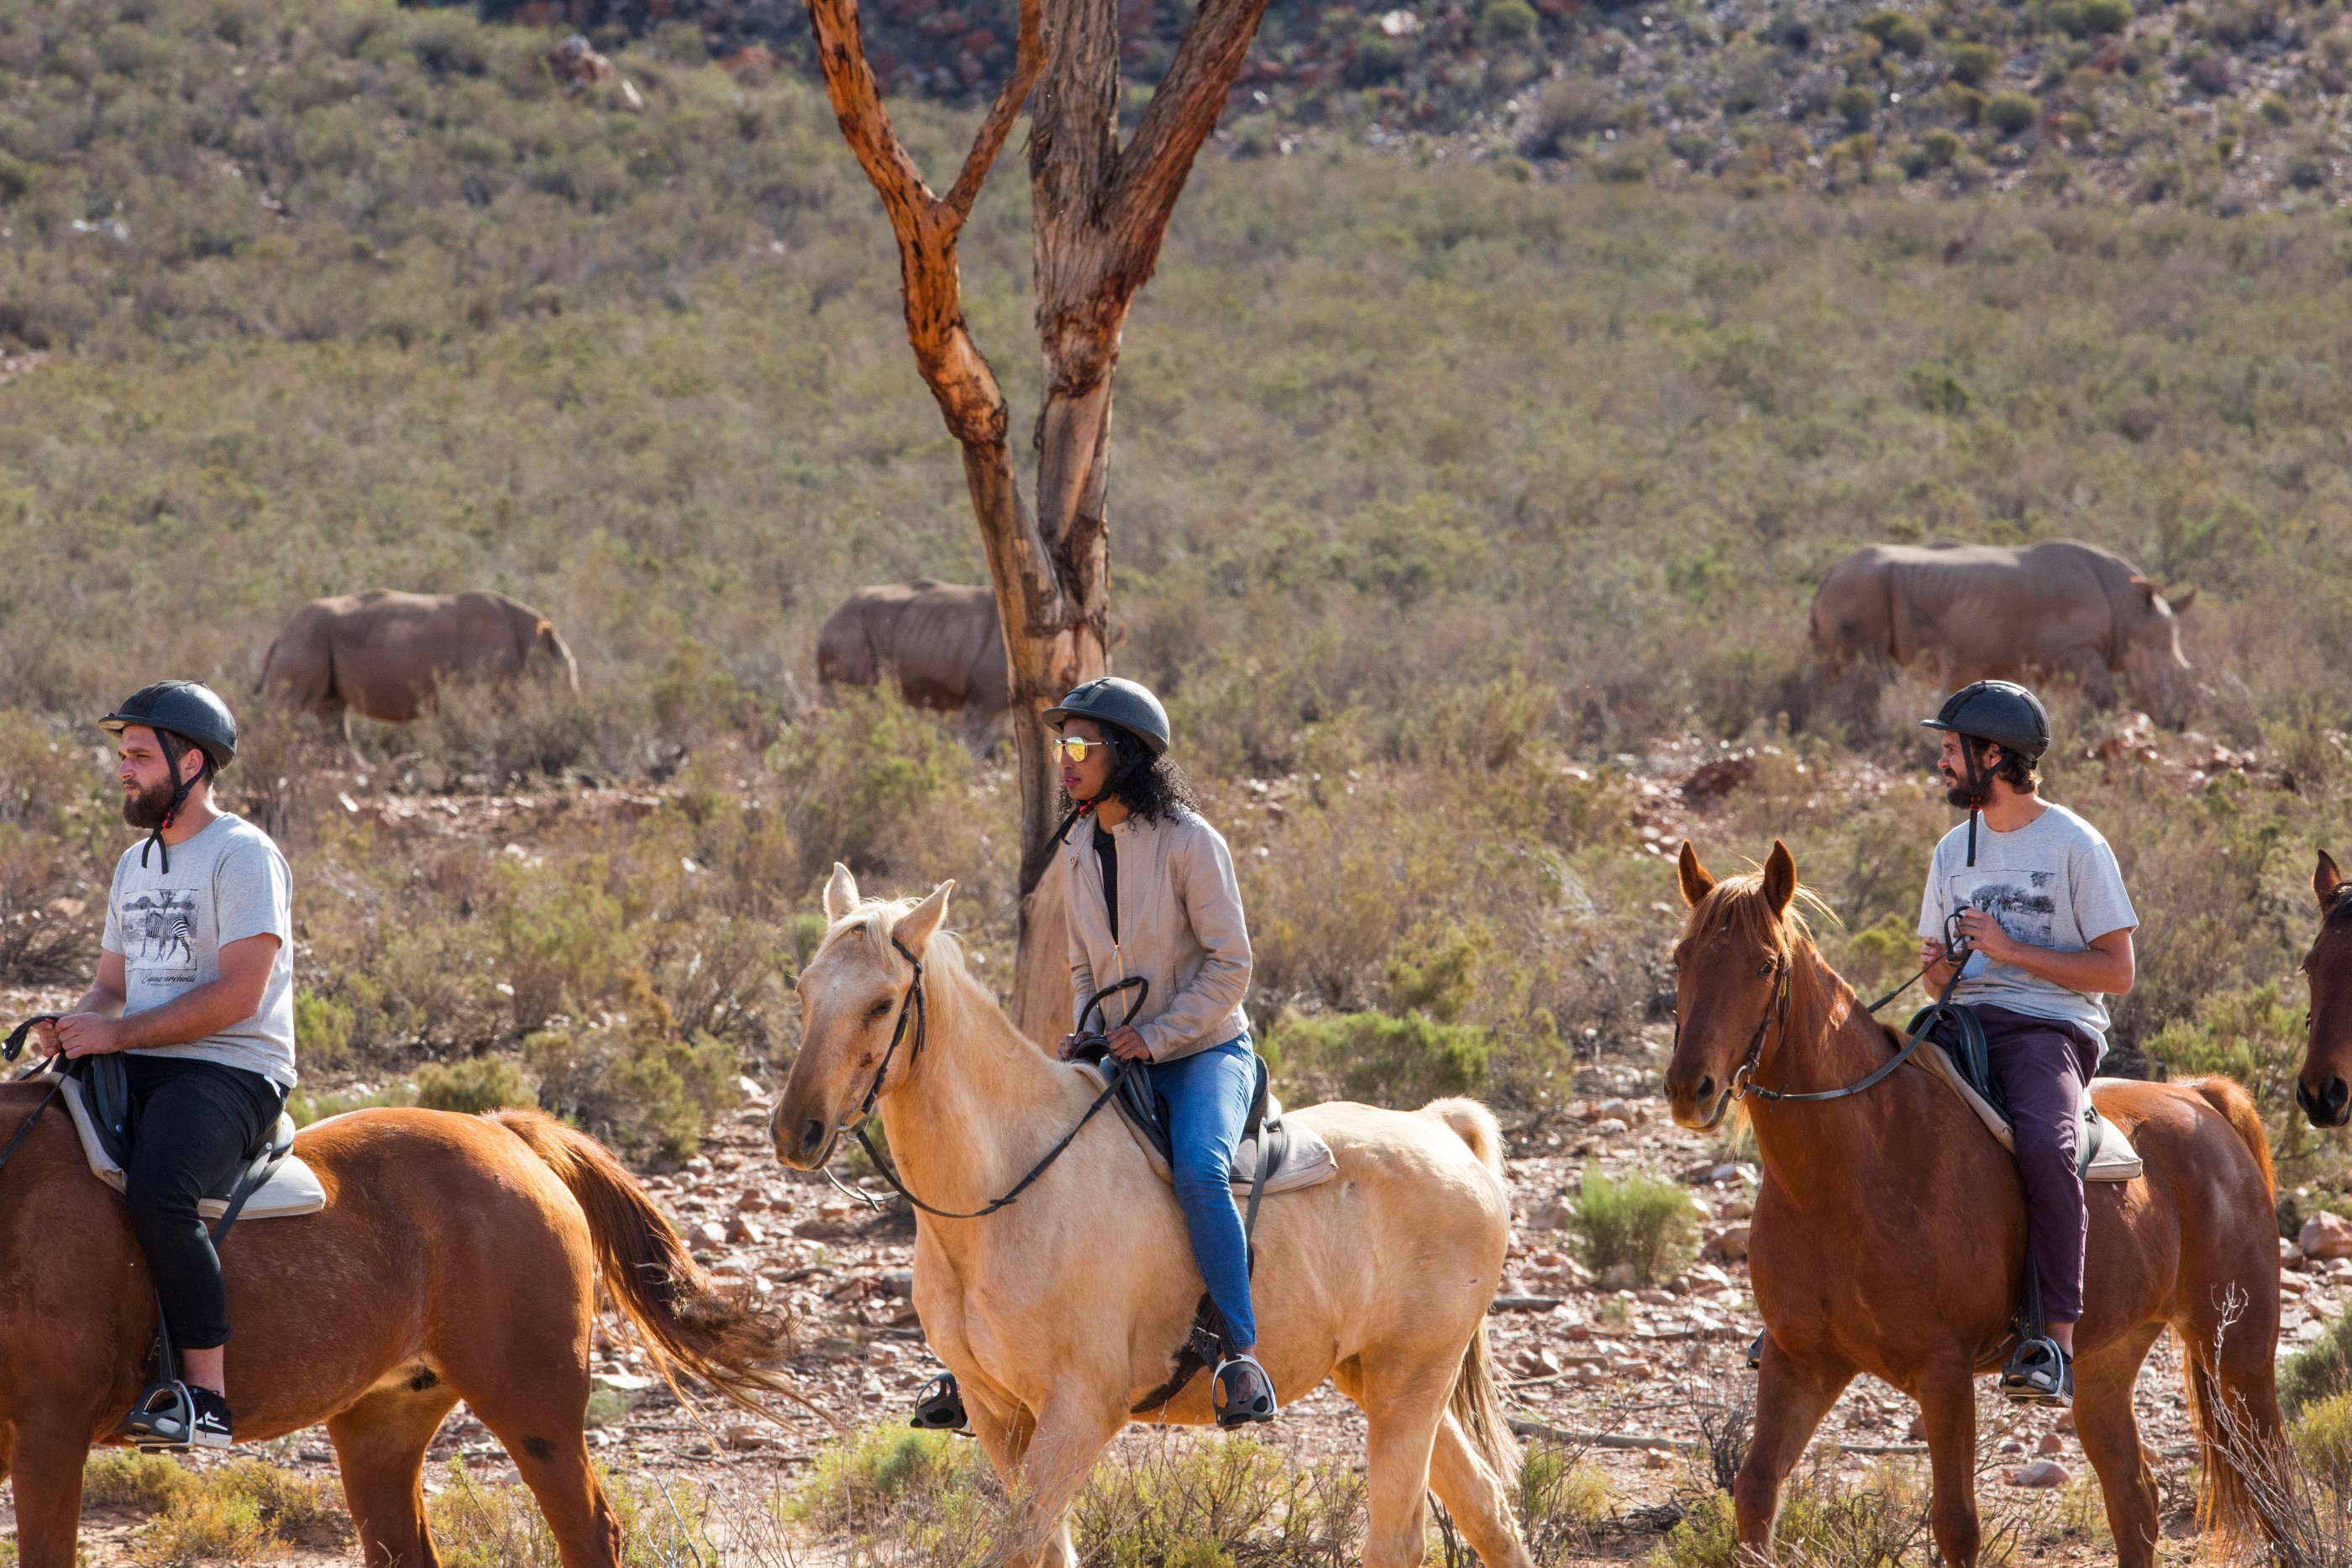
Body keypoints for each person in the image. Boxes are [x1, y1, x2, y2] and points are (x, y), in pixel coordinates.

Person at [34, 682, 297, 1450]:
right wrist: (77, 1024)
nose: (123, 769)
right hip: (140, 1056)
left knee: (159, 1192)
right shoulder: (134, 864)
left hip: (231, 1069)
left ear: (191, 762)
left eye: (139, 756)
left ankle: (205, 1397)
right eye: (121, 755)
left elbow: (241, 995)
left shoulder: (243, 853)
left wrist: (116, 1037)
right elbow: (113, 987)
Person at [1043, 677, 1273, 1427]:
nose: (1066, 760)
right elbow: (1084, 965)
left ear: (1128, 753)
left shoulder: (1190, 841)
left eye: (1081, 745)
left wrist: (1157, 1034)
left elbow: (1231, 963)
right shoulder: (1077, 847)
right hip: (1119, 1049)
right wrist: (1088, 1025)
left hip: (1205, 1051)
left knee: (1203, 1172)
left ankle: (1242, 1357)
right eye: (1061, 744)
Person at [1914, 680, 2138, 1409]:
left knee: (2046, 1144)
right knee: (1862, 1103)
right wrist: (1941, 970)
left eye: (1952, 748)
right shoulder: (1953, 848)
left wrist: (2010, 951)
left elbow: (2118, 971)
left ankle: (2054, 1341)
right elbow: (1932, 970)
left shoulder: (2076, 844)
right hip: (1961, 1018)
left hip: (2050, 1027)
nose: (1941, 760)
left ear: (1994, 756)